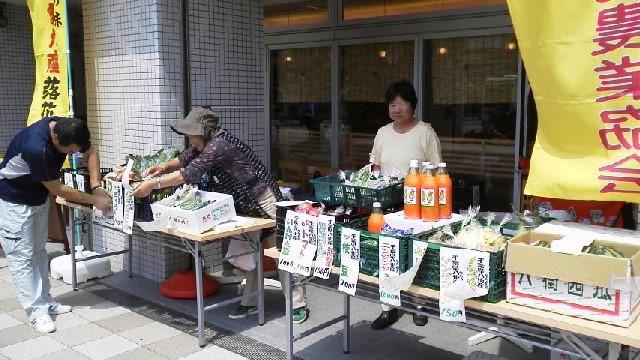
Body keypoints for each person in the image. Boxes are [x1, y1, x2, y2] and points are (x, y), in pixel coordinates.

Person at [133, 107, 309, 324]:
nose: (190, 140)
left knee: (280, 252)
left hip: (264, 198)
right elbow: (184, 159)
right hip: (243, 204)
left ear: (205, 131)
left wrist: (153, 185)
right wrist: (162, 168)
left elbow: (189, 173)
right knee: (249, 253)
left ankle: (297, 303)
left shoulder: (219, 145)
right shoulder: (202, 144)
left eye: (192, 135)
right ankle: (251, 301)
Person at [0, 116, 112, 333]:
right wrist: (94, 200)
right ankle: (36, 312)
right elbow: (57, 189)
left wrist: (96, 186)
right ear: (55, 137)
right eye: (68, 152)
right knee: (21, 257)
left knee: (38, 251)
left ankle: (46, 301)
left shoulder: (70, 128)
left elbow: (91, 151)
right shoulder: (37, 147)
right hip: (15, 203)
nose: (71, 155)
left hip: (37, 199)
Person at [369, 80, 442, 330]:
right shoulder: (382, 133)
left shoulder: (425, 132)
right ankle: (387, 308)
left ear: (412, 105)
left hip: (418, 207)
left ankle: (419, 305)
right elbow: (376, 165)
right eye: (392, 104)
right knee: (385, 255)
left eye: (401, 103)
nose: (396, 109)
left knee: (415, 256)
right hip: (387, 205)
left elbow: (437, 168)